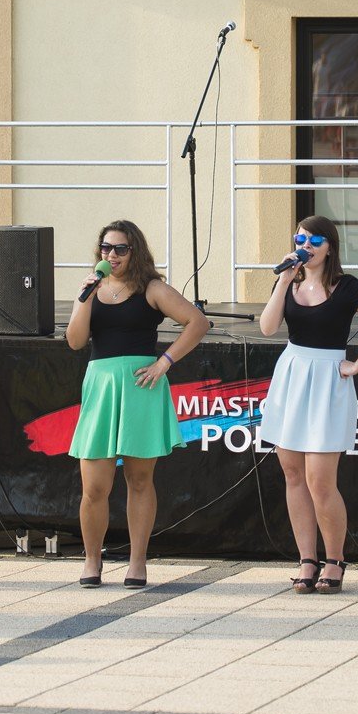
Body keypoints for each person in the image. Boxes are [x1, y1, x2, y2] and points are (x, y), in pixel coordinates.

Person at [258, 214, 358, 594]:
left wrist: (357, 365)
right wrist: (284, 280)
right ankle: (307, 559)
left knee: (320, 481)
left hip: (327, 378)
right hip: (292, 373)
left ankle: (334, 560)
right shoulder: (290, 281)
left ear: (329, 246)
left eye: (314, 241)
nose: (305, 246)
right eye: (300, 239)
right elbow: (268, 327)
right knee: (292, 473)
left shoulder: (346, 286)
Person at [66, 219, 209, 588]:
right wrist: (83, 299)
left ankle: (137, 562)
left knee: (140, 480)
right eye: (106, 248)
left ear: (134, 251)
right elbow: (75, 341)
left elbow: (197, 322)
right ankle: (92, 560)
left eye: (120, 249)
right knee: (94, 487)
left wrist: (165, 361)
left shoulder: (152, 288)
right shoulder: (91, 289)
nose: (112, 255)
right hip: (102, 388)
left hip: (141, 388)